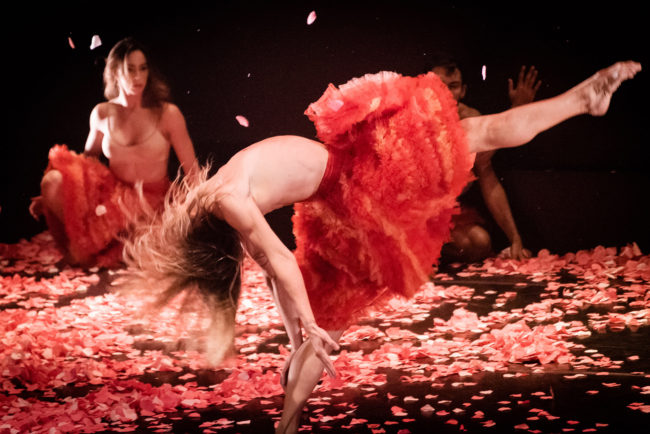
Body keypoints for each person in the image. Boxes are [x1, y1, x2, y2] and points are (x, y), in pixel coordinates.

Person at [121, 61, 640, 433]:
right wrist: (304, 328)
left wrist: (302, 329)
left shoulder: (227, 202)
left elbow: (274, 266)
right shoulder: (226, 197)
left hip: (349, 185)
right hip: (359, 187)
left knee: (475, 135)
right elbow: (277, 263)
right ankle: (580, 100)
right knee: (475, 133)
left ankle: (289, 417)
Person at [29, 37, 199, 267]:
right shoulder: (103, 113)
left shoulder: (168, 114)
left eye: (143, 68)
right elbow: (86, 165)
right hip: (112, 196)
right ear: (115, 72)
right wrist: (52, 196)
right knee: (54, 180)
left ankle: (111, 246)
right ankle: (76, 251)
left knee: (145, 253)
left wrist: (202, 211)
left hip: (153, 201)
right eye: (130, 69)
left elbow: (193, 172)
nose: (138, 77)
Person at [432, 55, 542, 261]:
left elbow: (488, 177)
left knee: (478, 243)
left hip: (442, 215)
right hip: (407, 215)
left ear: (463, 91)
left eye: (453, 86)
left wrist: (515, 238)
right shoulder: (413, 117)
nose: (445, 93)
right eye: (439, 86)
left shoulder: (471, 120)